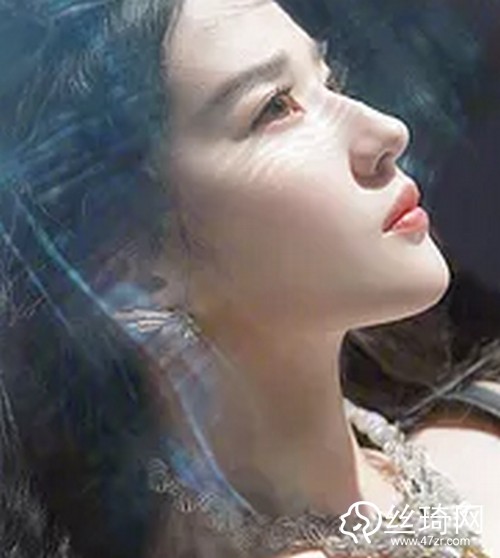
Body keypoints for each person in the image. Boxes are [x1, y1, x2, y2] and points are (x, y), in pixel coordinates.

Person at [0, 0, 496, 557]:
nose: (388, 132)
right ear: (132, 266)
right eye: (275, 107)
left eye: (329, 79)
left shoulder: (477, 434)